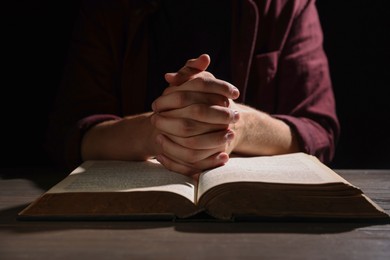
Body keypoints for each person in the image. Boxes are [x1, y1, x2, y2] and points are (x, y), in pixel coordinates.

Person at [45, 0, 340, 176]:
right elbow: (71, 133)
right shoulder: (110, 8)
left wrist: (237, 125)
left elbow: (318, 131)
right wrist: (157, 130)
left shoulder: (287, 5)